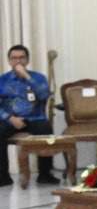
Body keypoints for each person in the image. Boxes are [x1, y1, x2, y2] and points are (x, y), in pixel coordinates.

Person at [0, 45, 57, 187]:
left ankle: (45, 174)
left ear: (27, 60)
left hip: (35, 118)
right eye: (14, 58)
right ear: (9, 61)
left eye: (21, 58)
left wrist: (27, 76)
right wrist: (9, 118)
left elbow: (44, 95)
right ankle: (3, 177)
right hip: (11, 119)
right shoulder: (3, 80)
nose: (18, 61)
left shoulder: (38, 78)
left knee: (46, 130)